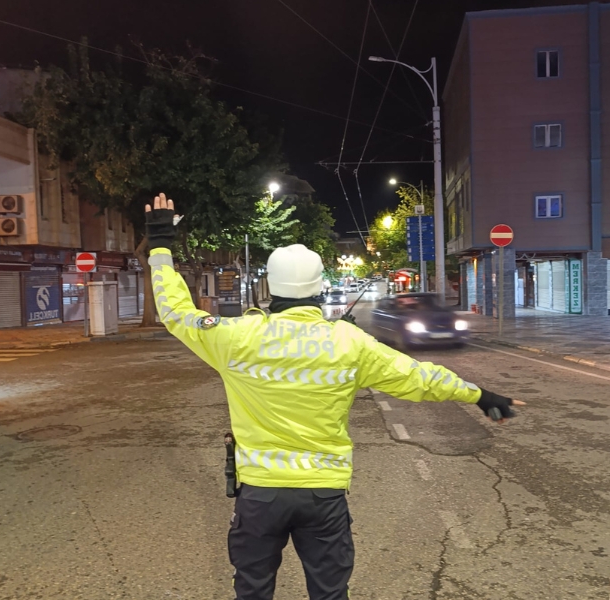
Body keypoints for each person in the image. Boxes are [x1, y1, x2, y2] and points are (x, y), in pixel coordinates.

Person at [145, 193, 524, 600]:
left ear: (271, 287)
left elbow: (176, 313)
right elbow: (419, 378)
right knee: (329, 594)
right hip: (323, 495)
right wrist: (479, 395)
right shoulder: (348, 342)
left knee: (252, 590)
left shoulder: (236, 337)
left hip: (259, 495)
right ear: (318, 286)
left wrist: (160, 245)